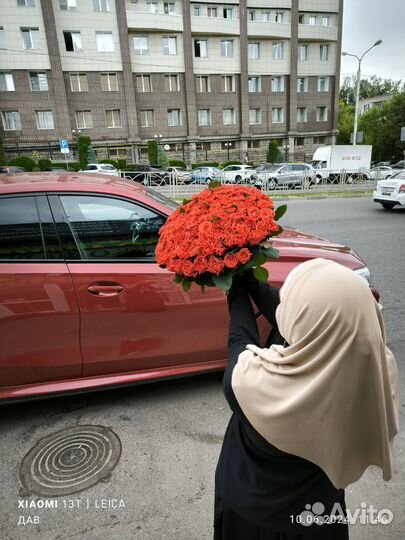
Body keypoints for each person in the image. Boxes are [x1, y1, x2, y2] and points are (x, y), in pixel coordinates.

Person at [214, 258, 399, 540]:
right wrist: (249, 279)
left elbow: (240, 339)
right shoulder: (376, 370)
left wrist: (236, 286)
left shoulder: (254, 383)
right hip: (319, 517)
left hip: (251, 515)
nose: (286, 308)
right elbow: (317, 316)